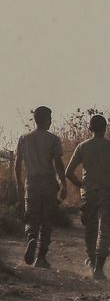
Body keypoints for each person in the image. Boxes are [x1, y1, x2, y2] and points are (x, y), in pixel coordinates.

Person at [65, 115, 110, 280]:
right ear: (105, 128)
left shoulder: (82, 147)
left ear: (90, 128)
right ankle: (99, 268)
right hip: (107, 192)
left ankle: (92, 260)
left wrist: (81, 185)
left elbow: (68, 172)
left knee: (90, 228)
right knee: (105, 228)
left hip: (88, 193)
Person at [14, 106, 67, 268]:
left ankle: (31, 238)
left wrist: (19, 185)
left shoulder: (24, 138)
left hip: (31, 182)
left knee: (31, 217)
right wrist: (63, 184)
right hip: (48, 183)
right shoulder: (53, 139)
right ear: (46, 120)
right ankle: (41, 257)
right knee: (46, 220)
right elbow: (58, 163)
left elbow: (17, 164)